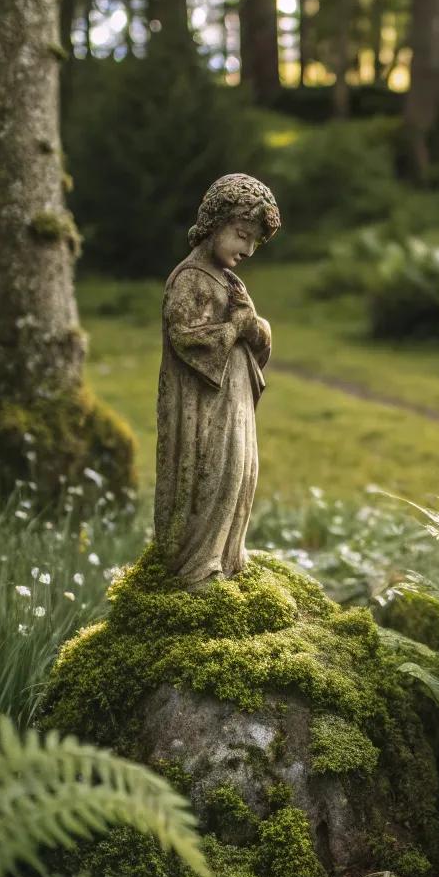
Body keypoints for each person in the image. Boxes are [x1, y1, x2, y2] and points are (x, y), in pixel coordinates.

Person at [154, 173, 281, 587]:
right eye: (242, 235)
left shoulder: (228, 279)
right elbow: (187, 339)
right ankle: (198, 564)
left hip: (236, 399)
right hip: (205, 407)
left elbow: (255, 335)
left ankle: (229, 552)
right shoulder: (190, 279)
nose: (247, 249)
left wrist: (253, 326)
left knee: (240, 473)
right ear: (214, 224)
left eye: (254, 243)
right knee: (212, 474)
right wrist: (235, 327)